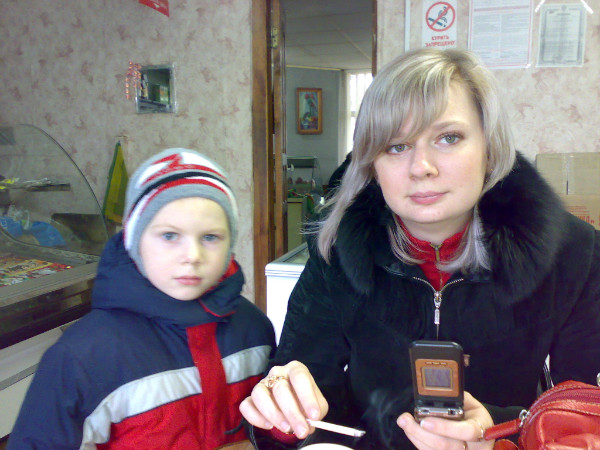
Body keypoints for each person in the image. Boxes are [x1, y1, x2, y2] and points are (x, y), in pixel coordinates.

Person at [239, 48, 600, 450]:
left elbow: (588, 416)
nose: (421, 167)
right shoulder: (338, 251)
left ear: (490, 147)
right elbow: (302, 391)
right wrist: (280, 415)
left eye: (448, 138)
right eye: (396, 146)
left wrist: (499, 436)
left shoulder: (574, 252)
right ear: (371, 164)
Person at [7, 148, 276, 450]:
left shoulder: (255, 328)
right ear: (134, 241)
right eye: (169, 236)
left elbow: (273, 429)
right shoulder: (81, 357)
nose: (192, 255)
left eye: (210, 237)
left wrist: (285, 432)